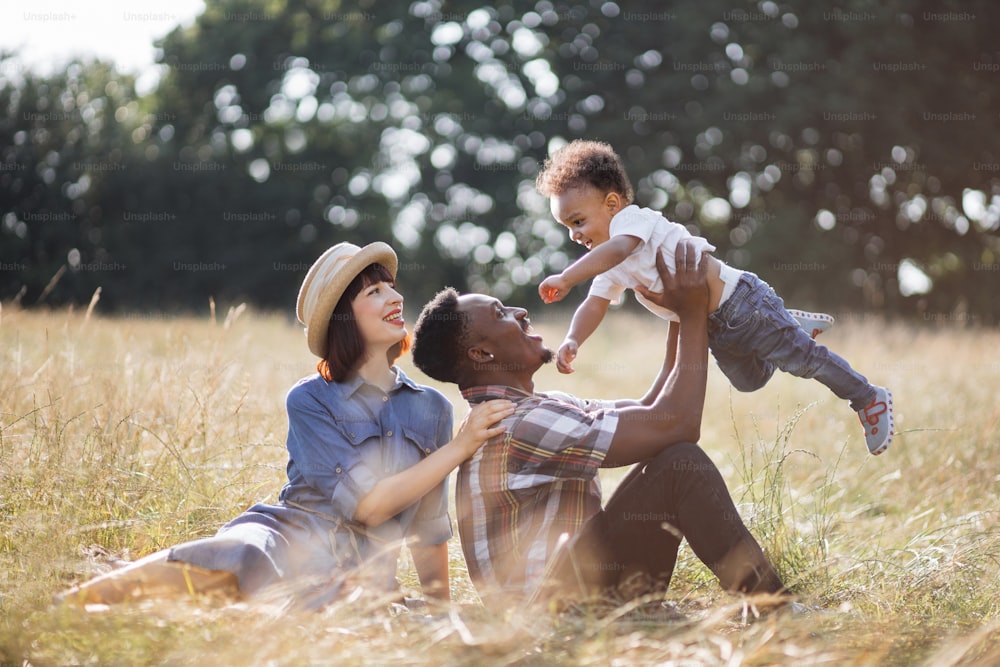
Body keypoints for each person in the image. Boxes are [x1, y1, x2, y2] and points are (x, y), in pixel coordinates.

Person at [59, 241, 514, 610]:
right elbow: (369, 508)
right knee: (244, 554)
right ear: (342, 318)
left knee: (349, 619)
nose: (395, 298)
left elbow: (429, 528)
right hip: (286, 538)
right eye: (373, 293)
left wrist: (439, 614)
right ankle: (74, 605)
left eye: (391, 288)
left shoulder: (432, 407)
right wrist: (458, 448)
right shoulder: (311, 398)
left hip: (358, 579)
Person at [410, 241, 790, 609]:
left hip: (577, 589)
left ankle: (758, 603)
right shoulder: (516, 424)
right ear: (482, 353)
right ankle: (774, 609)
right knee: (680, 465)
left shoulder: (533, 407)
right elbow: (678, 425)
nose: (520, 311)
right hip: (554, 614)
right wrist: (693, 313)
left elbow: (651, 411)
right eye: (500, 313)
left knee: (671, 458)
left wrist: (679, 314)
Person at [535, 139, 893, 455]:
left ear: (612, 203)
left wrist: (567, 277)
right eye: (567, 227)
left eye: (578, 221)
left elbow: (617, 250)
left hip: (743, 304)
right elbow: (594, 303)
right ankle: (789, 328)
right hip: (713, 327)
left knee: (803, 362)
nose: (574, 235)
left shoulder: (633, 223)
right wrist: (572, 339)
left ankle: (867, 397)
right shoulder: (605, 260)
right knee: (748, 381)